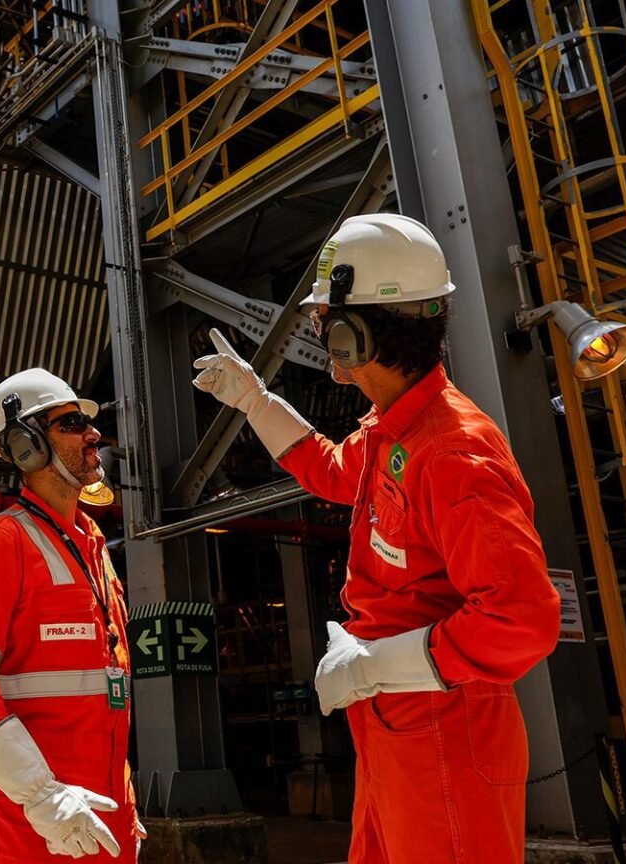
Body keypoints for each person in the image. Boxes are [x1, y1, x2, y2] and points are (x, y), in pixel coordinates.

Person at [192, 213, 560, 862]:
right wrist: (256, 403)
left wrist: (376, 665)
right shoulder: (394, 430)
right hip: (396, 726)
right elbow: (333, 470)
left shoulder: (452, 453)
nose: (322, 343)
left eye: (325, 329)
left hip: (446, 736)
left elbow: (521, 618)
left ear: (352, 334)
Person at [0, 368, 143, 862]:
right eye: (71, 423)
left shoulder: (93, 545)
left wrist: (127, 809)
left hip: (106, 817)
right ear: (26, 446)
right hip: (39, 827)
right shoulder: (0, 543)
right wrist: (41, 795)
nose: (94, 433)